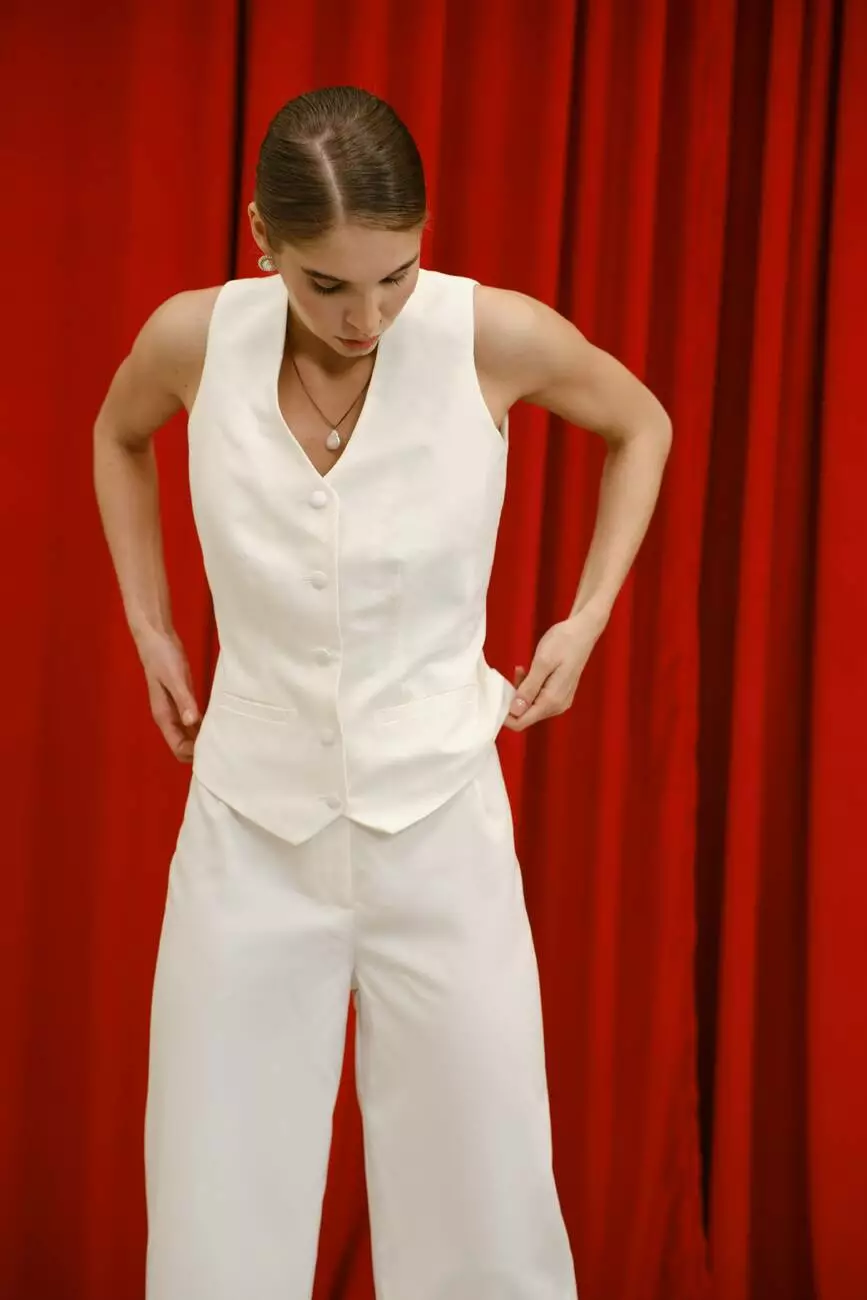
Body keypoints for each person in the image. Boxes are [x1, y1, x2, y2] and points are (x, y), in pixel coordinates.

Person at [94, 85, 671, 1300]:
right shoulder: (195, 339)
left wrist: (586, 618)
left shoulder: (489, 335)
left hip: (442, 826)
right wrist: (148, 622)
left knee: (485, 1204)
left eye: (395, 276)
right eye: (328, 285)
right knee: (212, 1202)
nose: (367, 317)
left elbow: (643, 423)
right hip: (246, 831)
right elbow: (118, 435)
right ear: (262, 236)